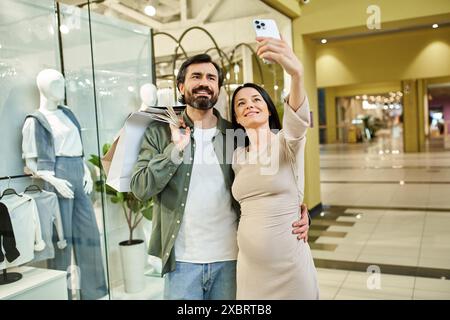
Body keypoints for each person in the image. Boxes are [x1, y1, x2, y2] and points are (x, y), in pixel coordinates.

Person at [130, 54, 310, 300]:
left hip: (232, 259)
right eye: (196, 76)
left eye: (211, 78)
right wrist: (175, 150)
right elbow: (140, 188)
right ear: (181, 87)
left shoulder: (235, 134)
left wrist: (297, 210)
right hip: (183, 262)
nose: (204, 82)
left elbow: (270, 174)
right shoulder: (160, 132)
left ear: (218, 89)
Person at [230, 36, 319, 299]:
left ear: (269, 110)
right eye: (241, 103)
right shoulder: (236, 156)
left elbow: (298, 121)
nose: (249, 106)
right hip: (249, 270)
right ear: (236, 117)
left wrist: (296, 73)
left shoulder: (287, 143)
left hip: (289, 269)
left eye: (256, 100)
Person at [22, 69, 107, 300]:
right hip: (56, 176)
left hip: (78, 174)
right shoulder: (35, 121)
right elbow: (30, 162)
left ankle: (94, 293)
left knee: (90, 235)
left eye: (62, 82)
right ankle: (64, 295)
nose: (62, 87)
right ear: (44, 87)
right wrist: (52, 179)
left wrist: (87, 172)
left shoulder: (68, 113)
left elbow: (79, 149)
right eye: (56, 83)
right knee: (62, 241)